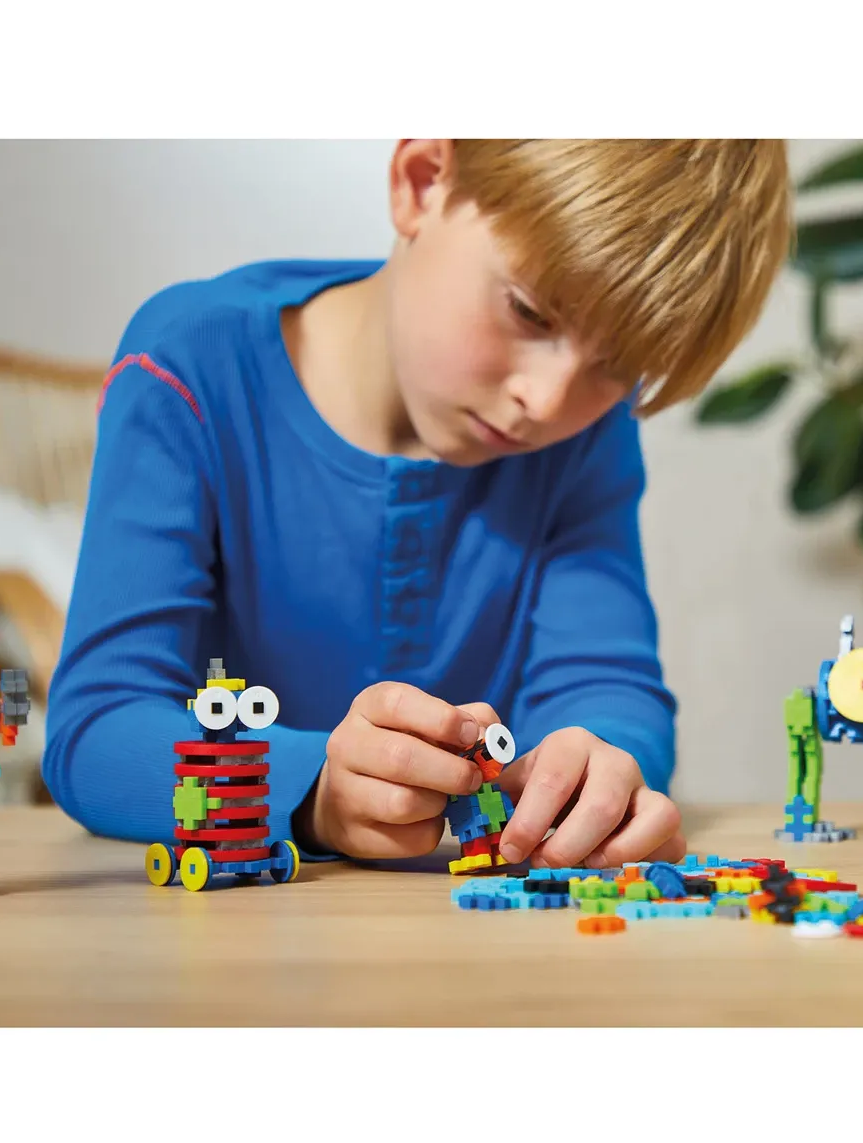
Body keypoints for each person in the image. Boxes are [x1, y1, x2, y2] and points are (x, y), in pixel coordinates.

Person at [43, 139, 791, 870]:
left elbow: (605, 686)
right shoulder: (190, 366)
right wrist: (311, 789)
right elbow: (98, 729)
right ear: (423, 181)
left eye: (618, 367)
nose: (547, 400)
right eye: (531, 313)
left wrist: (599, 761)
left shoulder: (586, 431)